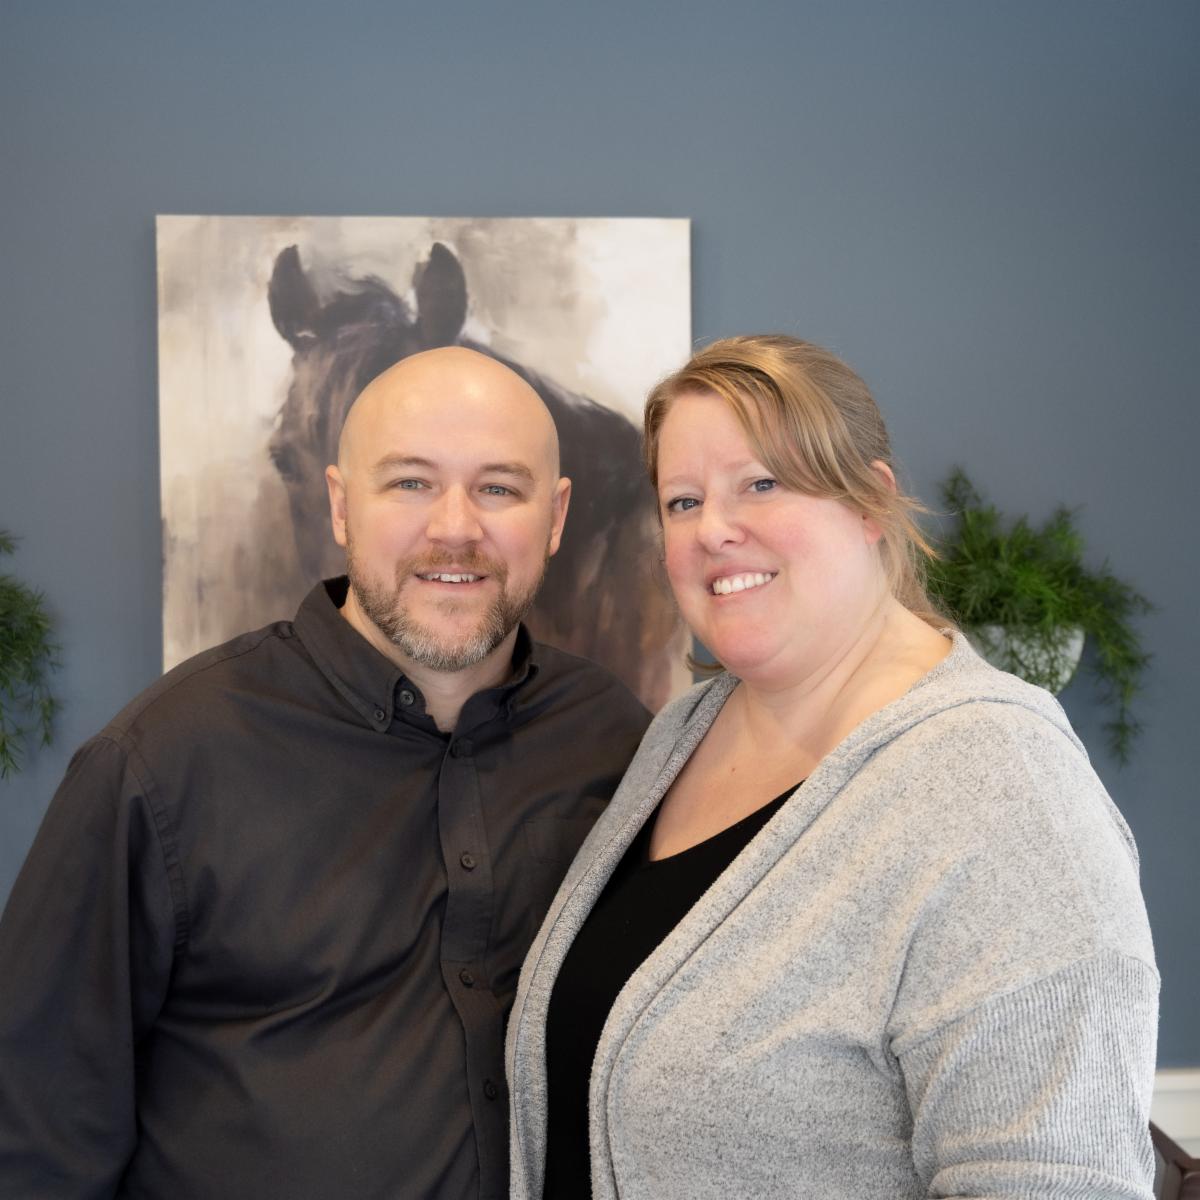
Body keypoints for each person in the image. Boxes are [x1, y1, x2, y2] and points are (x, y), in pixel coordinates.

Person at [507, 335, 1159, 1200]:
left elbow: (1057, 1182)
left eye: (761, 484)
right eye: (682, 500)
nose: (714, 530)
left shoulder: (1005, 787)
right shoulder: (682, 733)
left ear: (871, 505)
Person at [0, 347, 650, 1200]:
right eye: (411, 483)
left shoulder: (614, 739)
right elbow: (37, 1137)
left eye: (498, 487)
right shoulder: (160, 762)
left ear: (556, 516)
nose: (455, 528)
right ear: (342, 504)